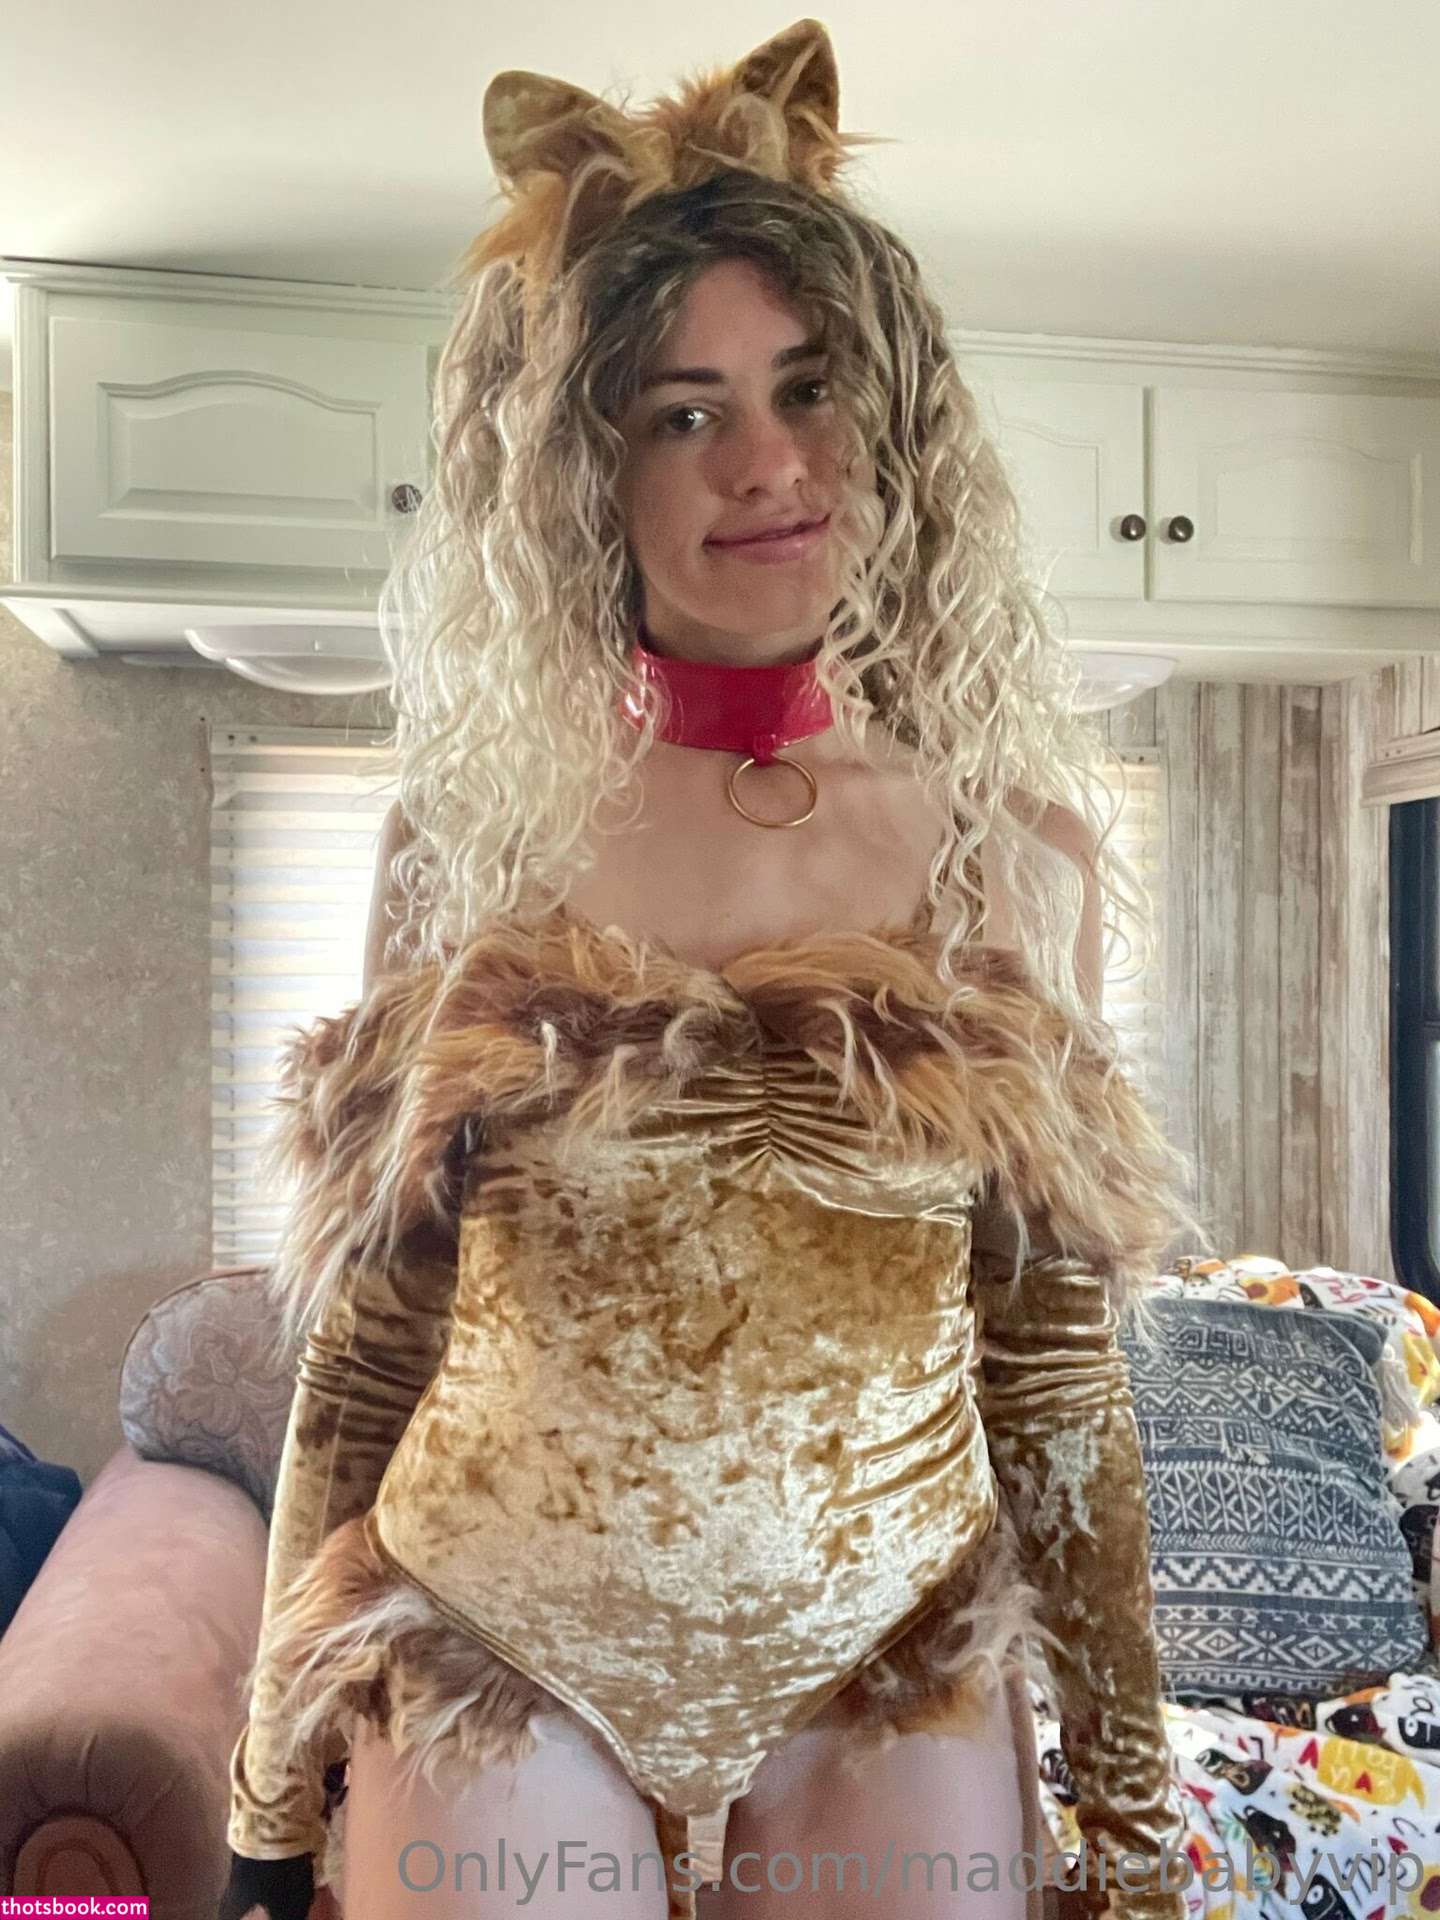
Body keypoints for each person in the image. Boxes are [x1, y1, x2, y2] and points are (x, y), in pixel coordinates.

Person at [218, 19, 1207, 1920]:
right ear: (587, 472)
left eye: (807, 386)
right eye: (684, 413)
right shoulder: (465, 845)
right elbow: (371, 1333)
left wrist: (1137, 1838)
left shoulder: (1017, 856)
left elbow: (1054, 1372)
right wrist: (267, 1805)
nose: (766, 464)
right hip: (497, 1638)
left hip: (894, 1652)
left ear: (892, 419)